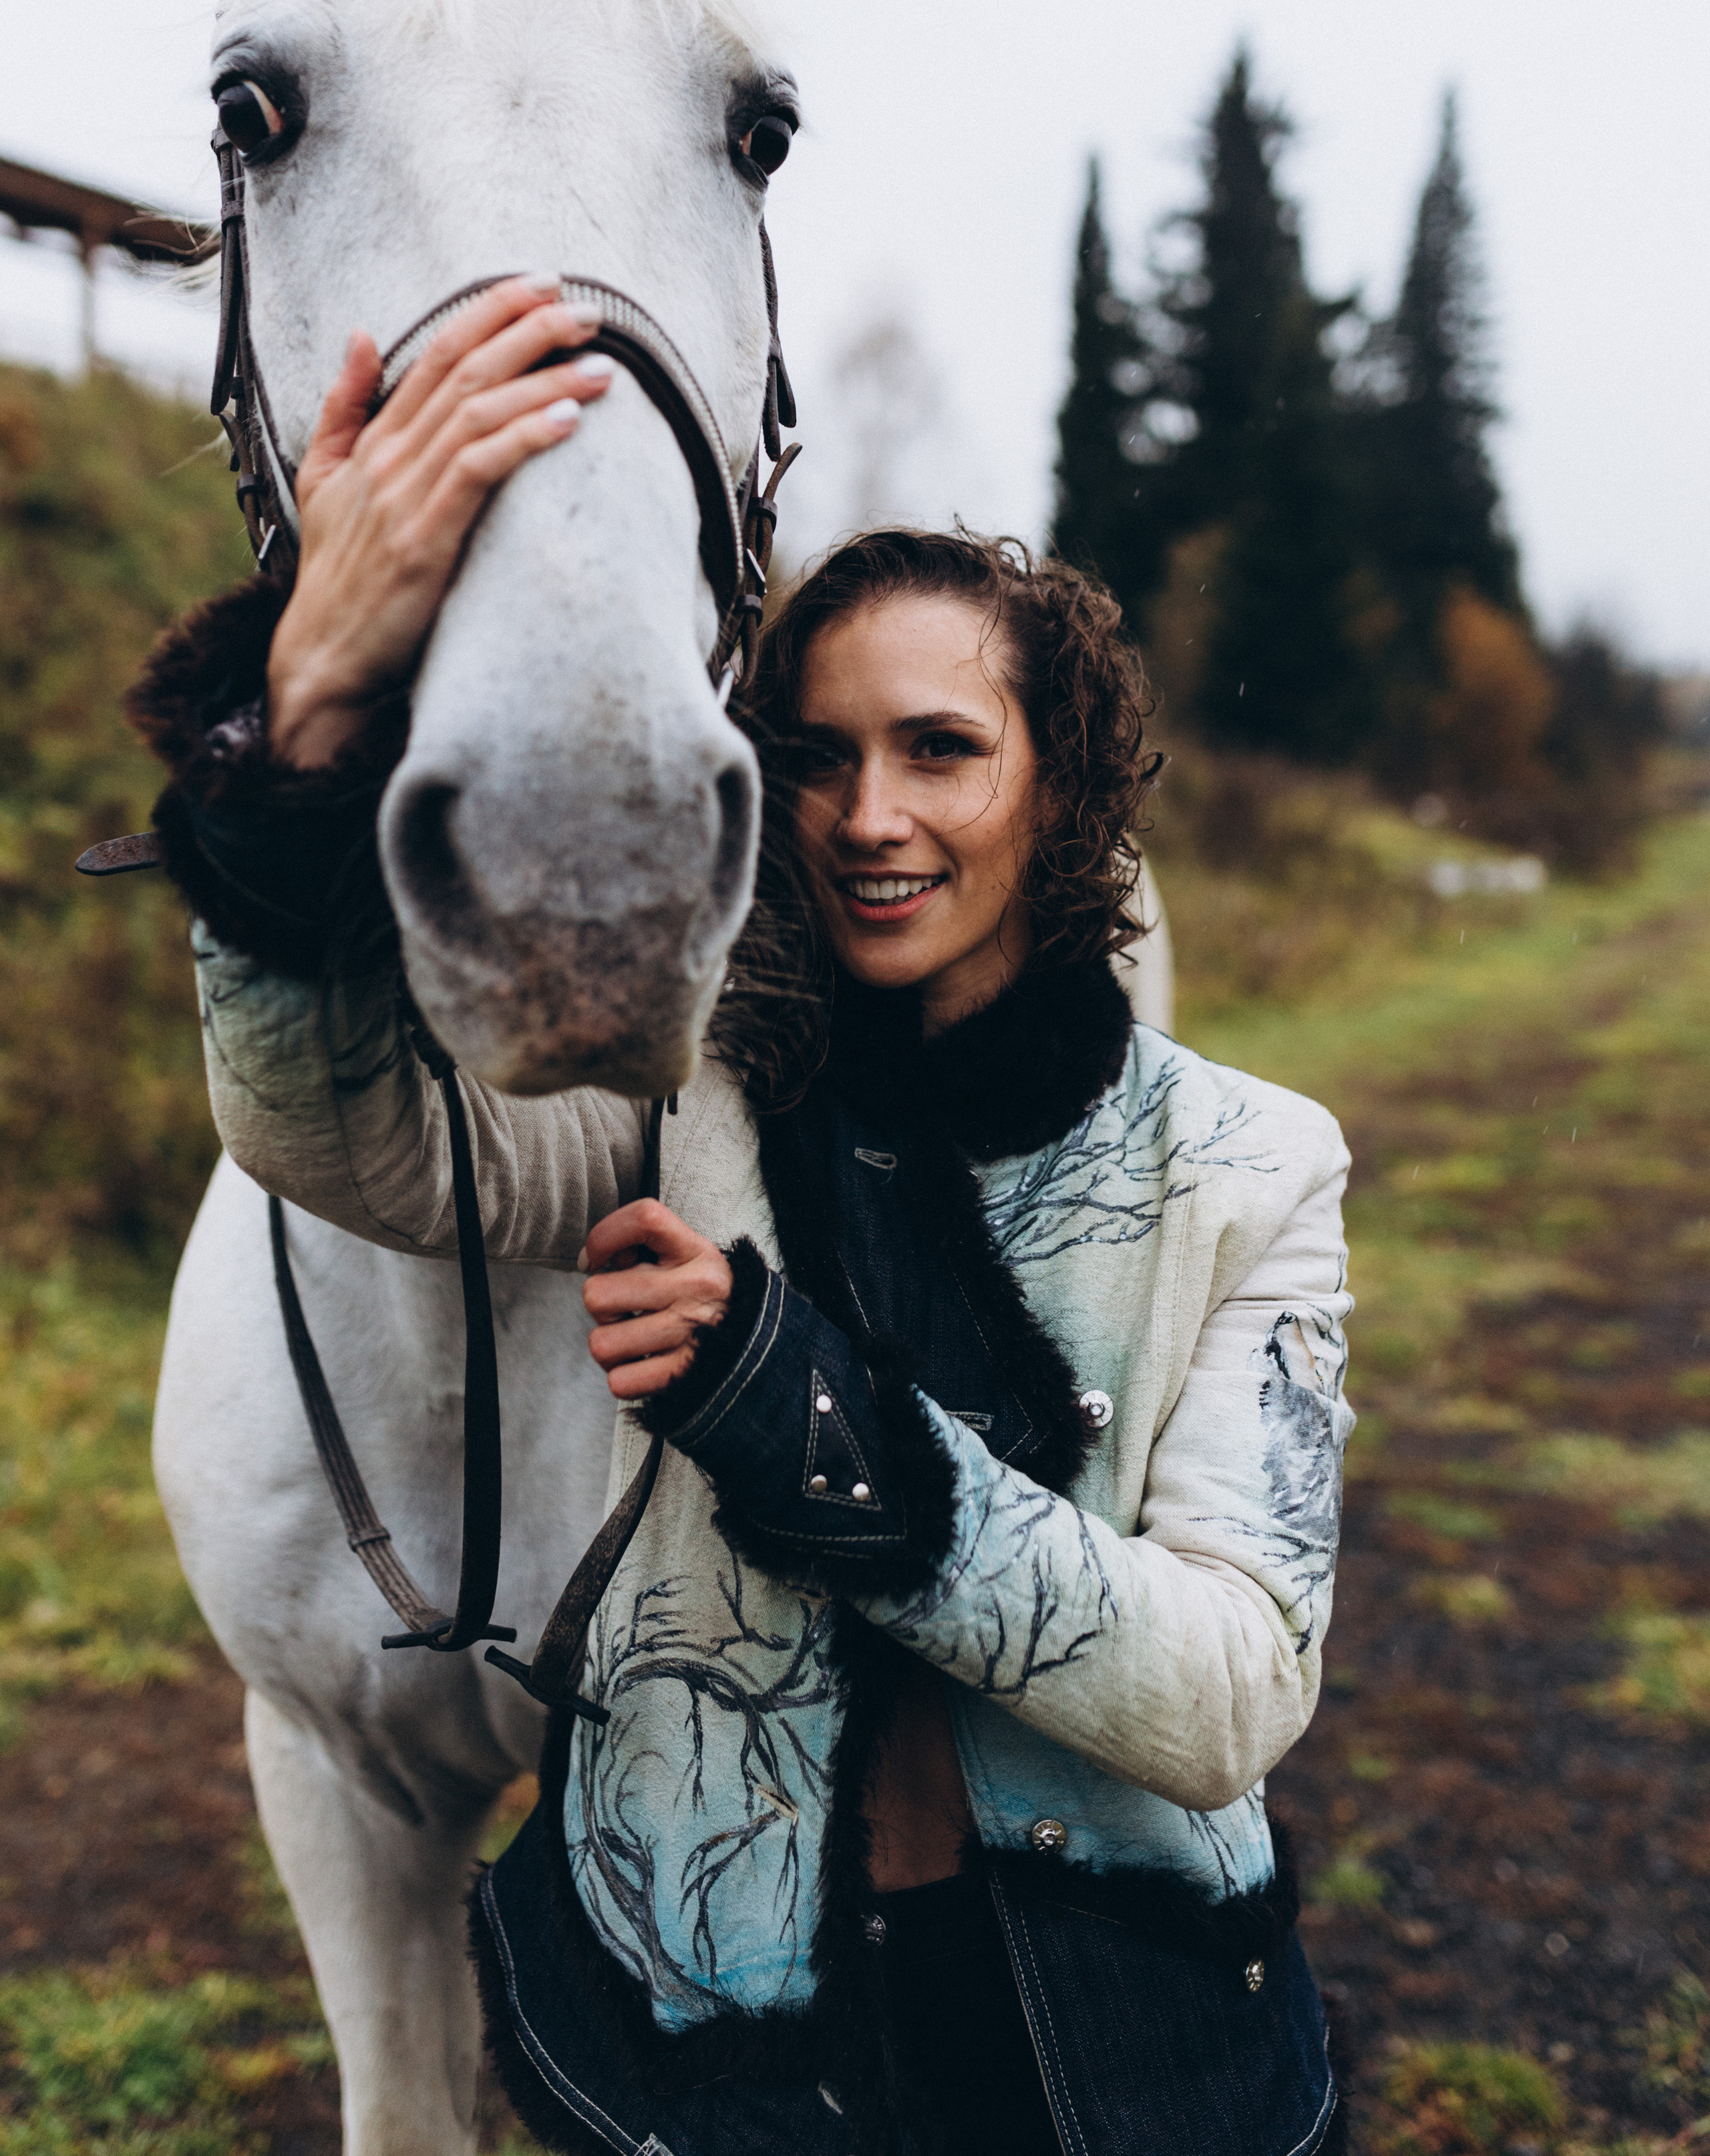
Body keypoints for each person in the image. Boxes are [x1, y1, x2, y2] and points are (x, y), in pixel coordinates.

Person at [132, 285, 1355, 2156]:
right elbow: (343, 1136)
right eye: (819, 758)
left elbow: (1232, 1699)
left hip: (1123, 2038)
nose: (870, 817)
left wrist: (808, 1422)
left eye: (941, 749)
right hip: (741, 2049)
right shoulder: (678, 1114)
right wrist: (294, 736)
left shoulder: (1250, 1167)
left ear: (1063, 789)